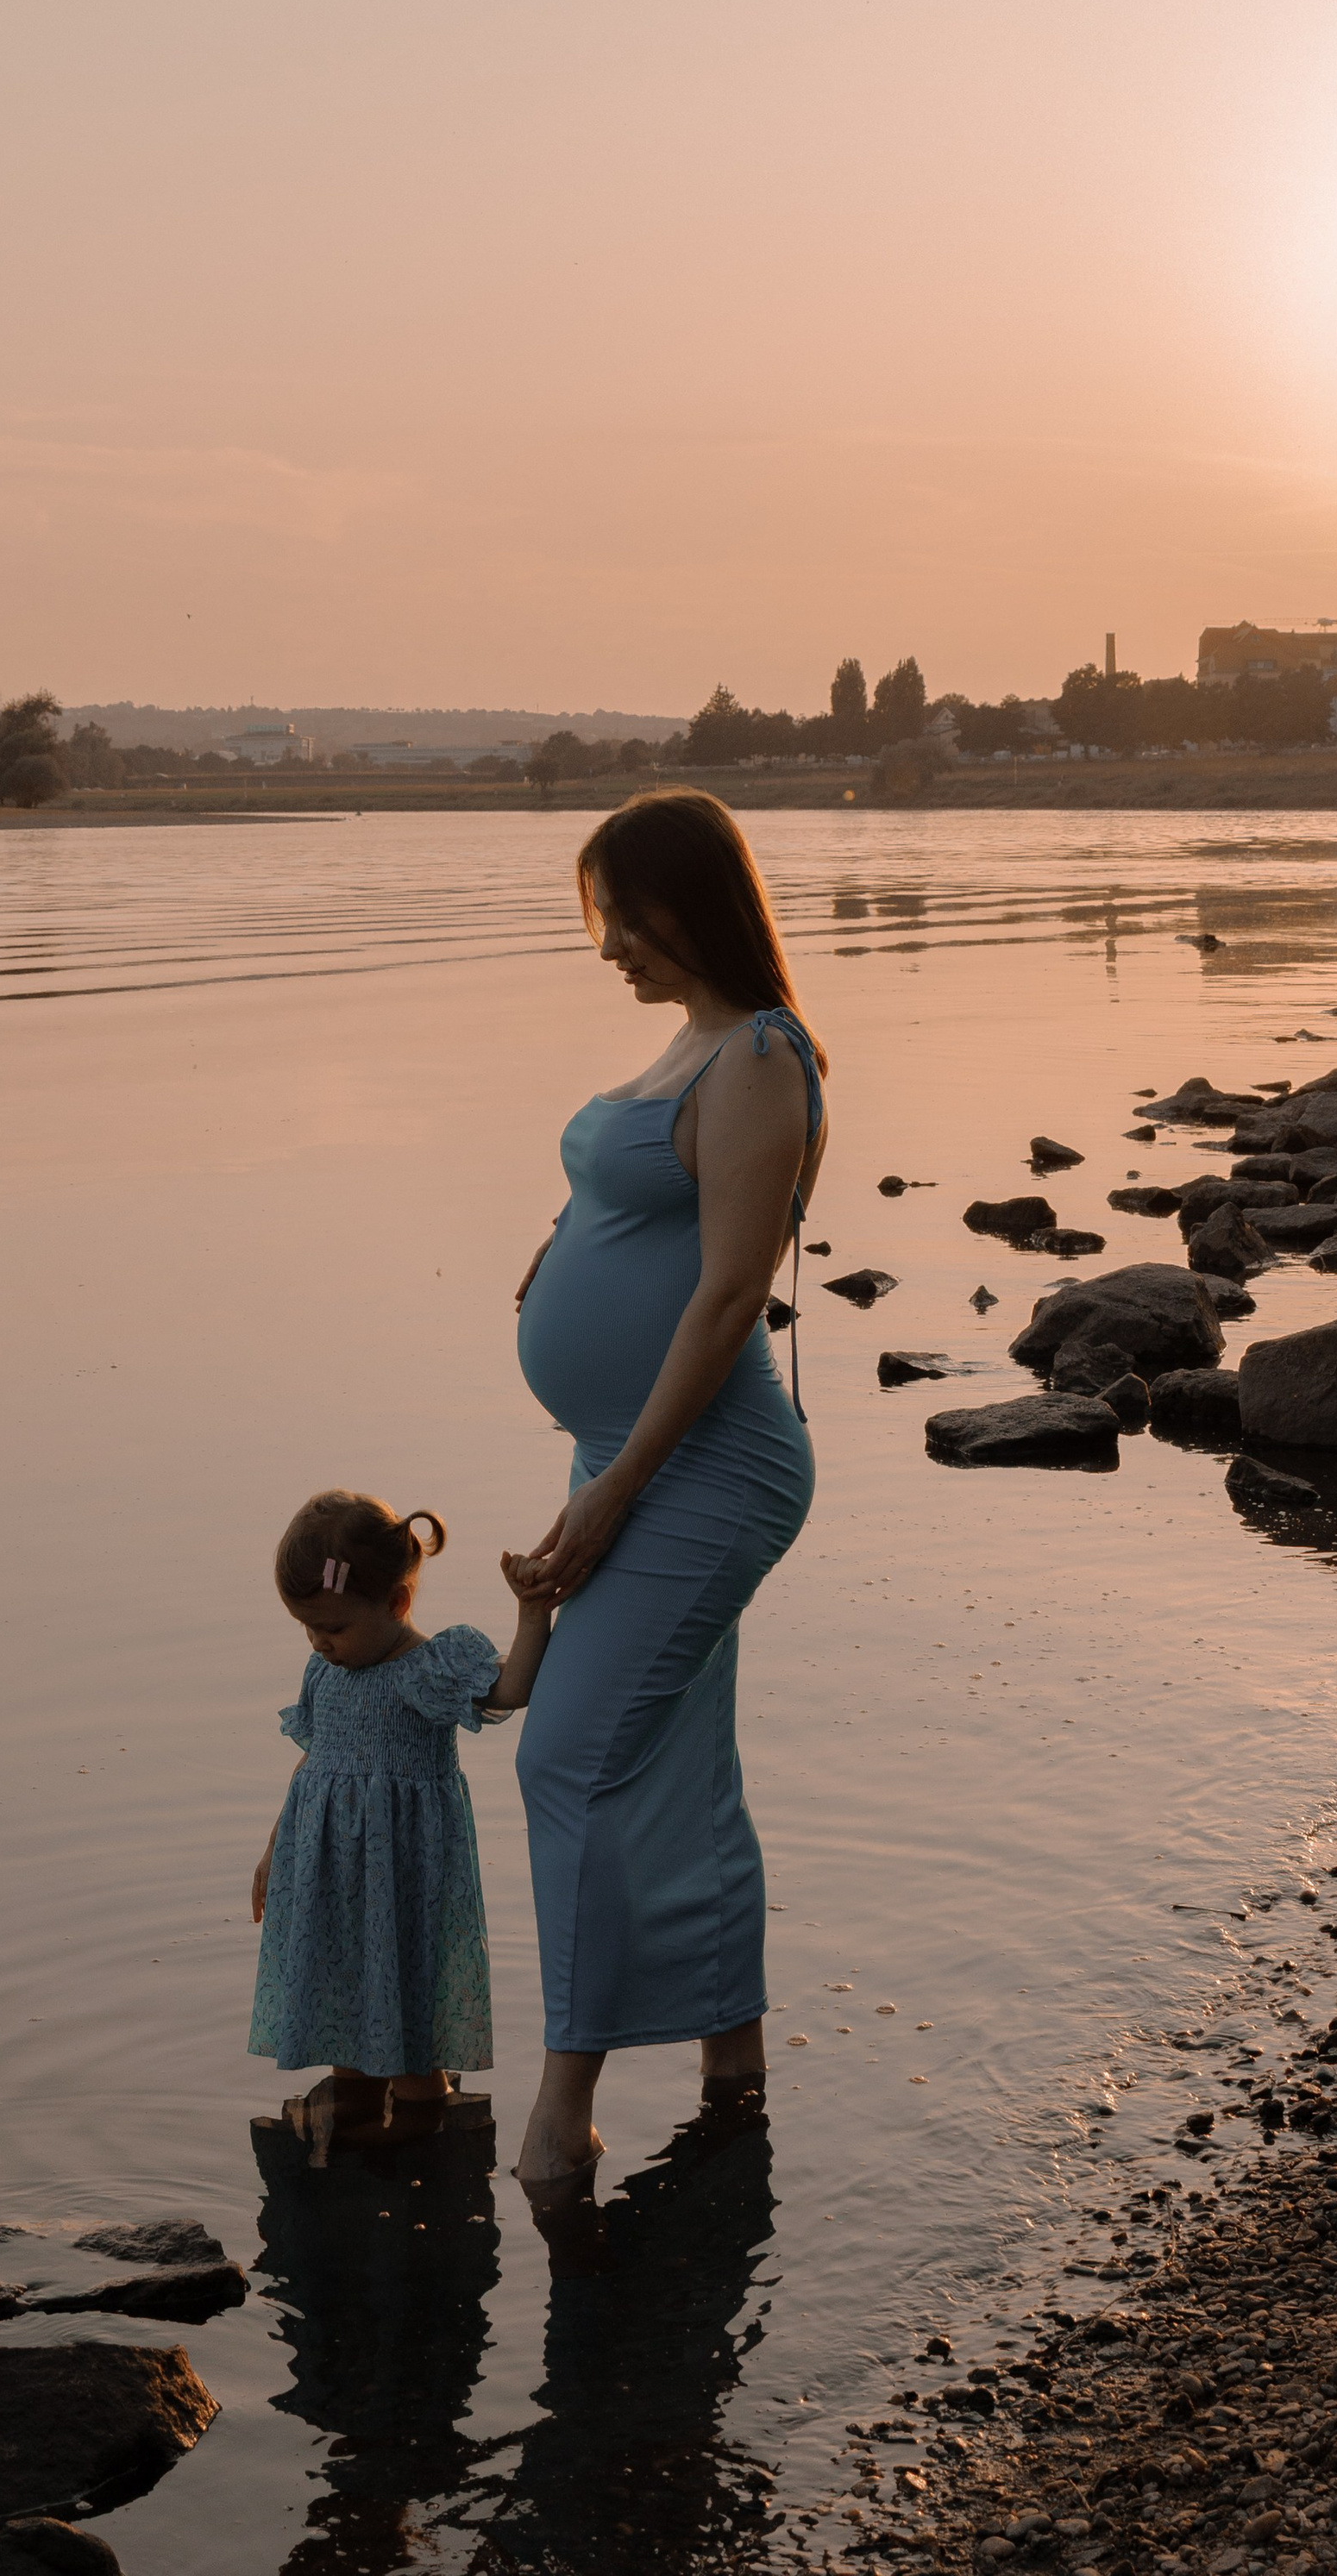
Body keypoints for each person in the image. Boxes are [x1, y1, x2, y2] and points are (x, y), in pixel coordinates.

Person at [508, 790, 827, 2191]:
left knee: (565, 1758)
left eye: (622, 917)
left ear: (688, 904)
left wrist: (622, 1486)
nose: (608, 947)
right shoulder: (692, 1045)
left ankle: (561, 2112)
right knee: (683, 1773)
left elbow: (731, 1296)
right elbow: (640, 1216)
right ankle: (733, 2062)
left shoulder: (760, 1054)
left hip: (701, 1467)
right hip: (628, 1457)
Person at [251, 1490, 553, 2161]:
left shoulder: (427, 1671)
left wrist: (533, 1612)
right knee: (345, 2010)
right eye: (308, 1629)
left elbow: (510, 1692)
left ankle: (422, 2134)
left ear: (396, 1604)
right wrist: (276, 1849)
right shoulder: (325, 1671)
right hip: (332, 1878)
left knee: (409, 2013)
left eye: (332, 1628)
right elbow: (314, 1759)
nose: (320, 1643)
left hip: (405, 1880)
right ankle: (356, 2126)